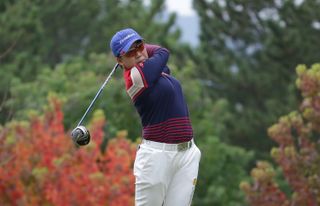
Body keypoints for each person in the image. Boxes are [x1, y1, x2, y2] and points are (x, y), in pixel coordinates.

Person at [110, 28, 201, 206]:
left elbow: (160, 59)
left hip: (186, 155)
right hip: (157, 158)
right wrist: (144, 49)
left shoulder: (154, 71)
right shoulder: (136, 77)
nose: (138, 54)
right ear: (120, 60)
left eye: (140, 46)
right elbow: (162, 51)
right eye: (131, 52)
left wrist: (137, 48)